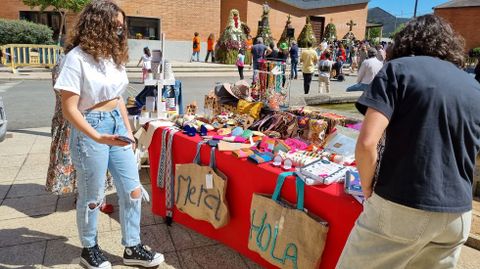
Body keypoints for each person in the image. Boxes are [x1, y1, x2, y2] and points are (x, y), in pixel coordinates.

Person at [337, 14, 480, 269]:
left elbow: (368, 142)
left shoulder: (398, 70)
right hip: (458, 213)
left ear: (405, 42)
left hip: (403, 203)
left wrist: (367, 187)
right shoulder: (472, 87)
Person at [53, 1, 164, 268]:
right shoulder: (75, 58)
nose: (120, 31)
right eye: (115, 26)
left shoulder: (113, 57)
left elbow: (117, 99)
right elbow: (70, 110)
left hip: (116, 123)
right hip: (91, 127)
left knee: (133, 190)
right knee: (93, 196)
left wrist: (128, 130)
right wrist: (98, 137)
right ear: (97, 24)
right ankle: (89, 249)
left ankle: (132, 246)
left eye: (122, 27)